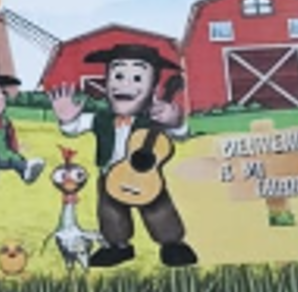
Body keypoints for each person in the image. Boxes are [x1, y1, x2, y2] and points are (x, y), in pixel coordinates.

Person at [49, 44, 198, 268]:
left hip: (148, 179)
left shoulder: (155, 119)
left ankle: (172, 245)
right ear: (106, 83)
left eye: (137, 78)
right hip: (110, 176)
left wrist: (175, 121)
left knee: (158, 211)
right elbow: (73, 128)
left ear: (154, 88)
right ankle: (118, 246)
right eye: (118, 76)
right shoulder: (101, 118)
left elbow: (180, 134)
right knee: (111, 214)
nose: (125, 85)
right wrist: (67, 118)